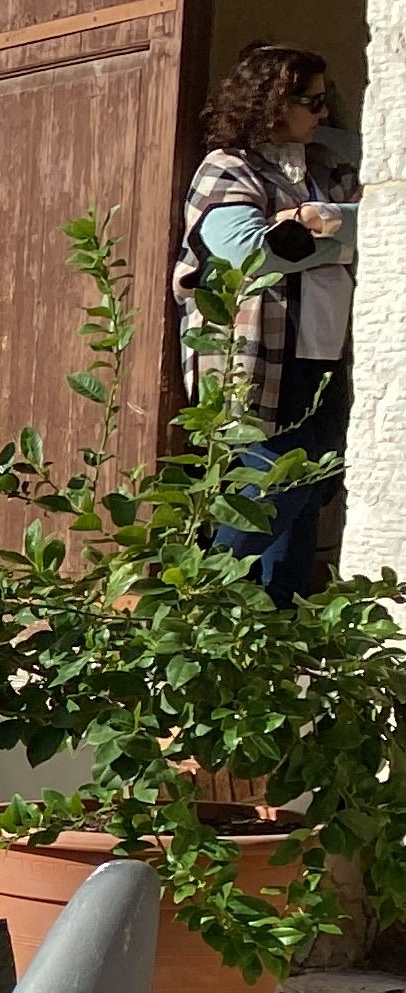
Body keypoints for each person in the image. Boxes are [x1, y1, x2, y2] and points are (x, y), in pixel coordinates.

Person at [180, 42, 362, 604]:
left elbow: (382, 226)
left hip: (324, 351)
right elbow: (248, 252)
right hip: (255, 355)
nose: (324, 112)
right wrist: (339, 243)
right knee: (274, 480)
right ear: (272, 101)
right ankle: (200, 602)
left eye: (325, 99)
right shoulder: (227, 167)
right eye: (311, 100)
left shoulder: (327, 166)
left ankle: (277, 622)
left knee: (311, 486)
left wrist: (322, 221)